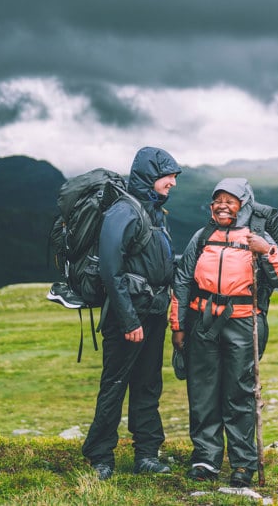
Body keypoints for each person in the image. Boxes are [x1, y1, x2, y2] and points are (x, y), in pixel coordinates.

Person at [172, 178, 278, 488]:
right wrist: (179, 326)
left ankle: (242, 465)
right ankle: (205, 460)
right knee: (203, 391)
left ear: (244, 203)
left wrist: (267, 251)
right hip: (203, 322)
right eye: (217, 200)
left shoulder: (258, 238)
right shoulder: (202, 237)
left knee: (239, 393)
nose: (222, 205)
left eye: (231, 199)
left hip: (242, 322)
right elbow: (183, 280)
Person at [81, 146, 182, 481]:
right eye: (168, 176)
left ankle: (147, 455)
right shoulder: (124, 211)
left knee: (148, 384)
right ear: (150, 175)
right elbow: (111, 268)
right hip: (130, 316)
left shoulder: (154, 213)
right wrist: (128, 320)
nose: (173, 183)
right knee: (115, 383)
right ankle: (99, 457)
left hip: (152, 313)